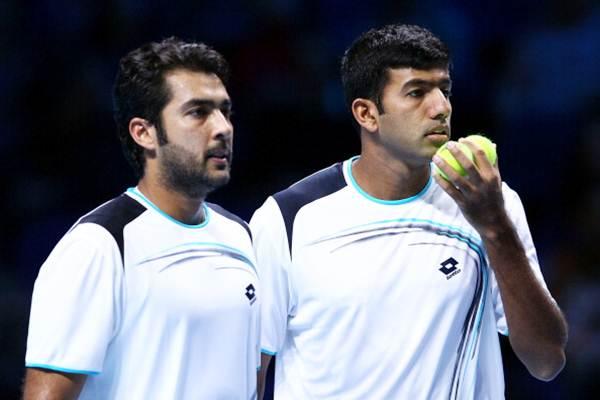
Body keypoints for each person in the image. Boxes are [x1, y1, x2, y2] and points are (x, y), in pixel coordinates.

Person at [251, 24, 567, 399]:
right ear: (367, 114)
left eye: (444, 90)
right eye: (417, 92)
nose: (441, 108)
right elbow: (252, 369)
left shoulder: (491, 203)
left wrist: (495, 227)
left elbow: (547, 360)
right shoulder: (287, 219)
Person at [23, 37, 259, 399]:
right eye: (198, 112)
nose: (222, 127)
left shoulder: (243, 237)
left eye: (225, 111)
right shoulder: (98, 246)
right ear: (144, 132)